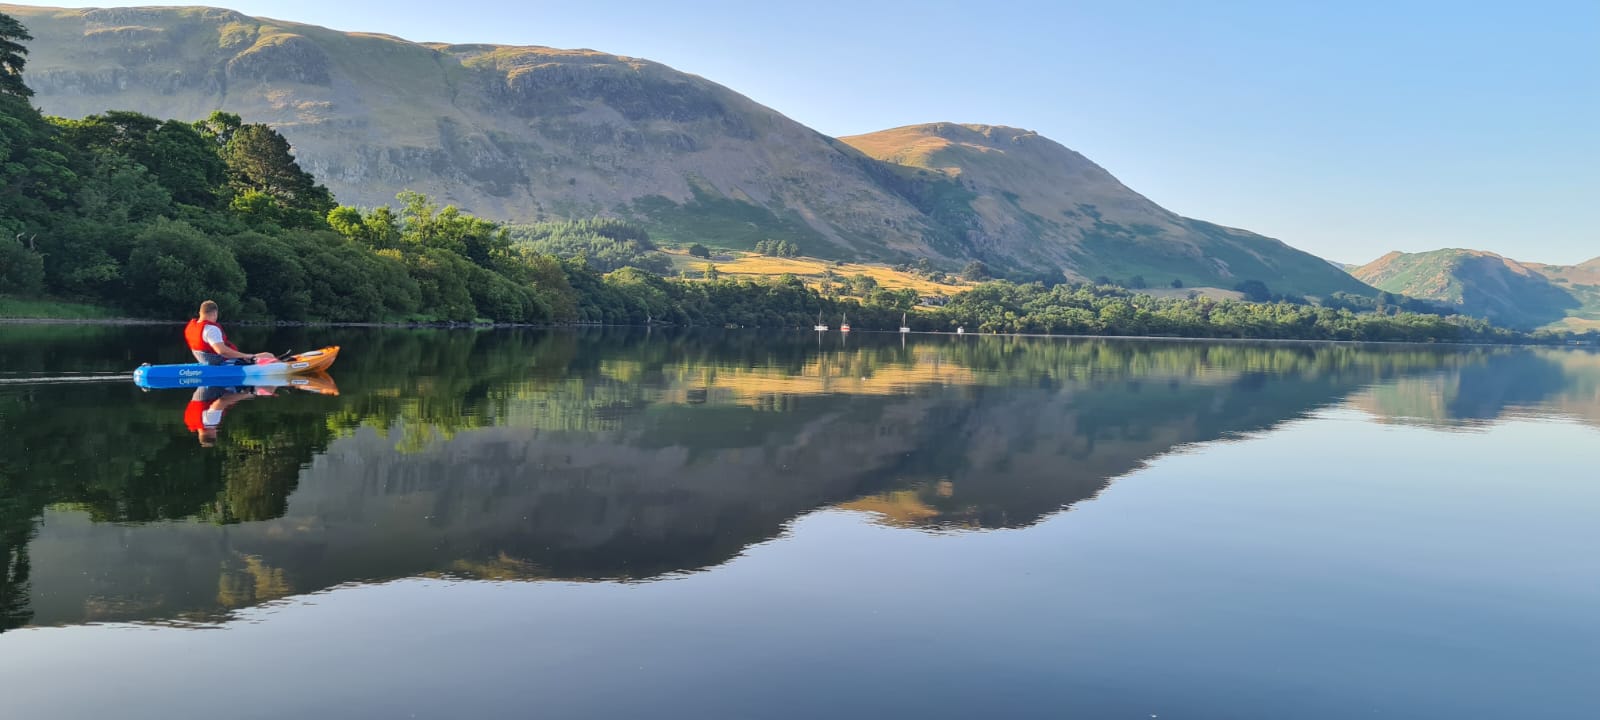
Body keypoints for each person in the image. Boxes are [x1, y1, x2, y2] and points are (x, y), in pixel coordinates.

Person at [184, 300, 275, 365]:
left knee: (266, 356)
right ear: (215, 313)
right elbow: (222, 351)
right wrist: (246, 356)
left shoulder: (190, 327)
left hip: (204, 361)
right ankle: (285, 367)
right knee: (268, 355)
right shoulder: (211, 329)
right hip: (222, 362)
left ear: (200, 312)